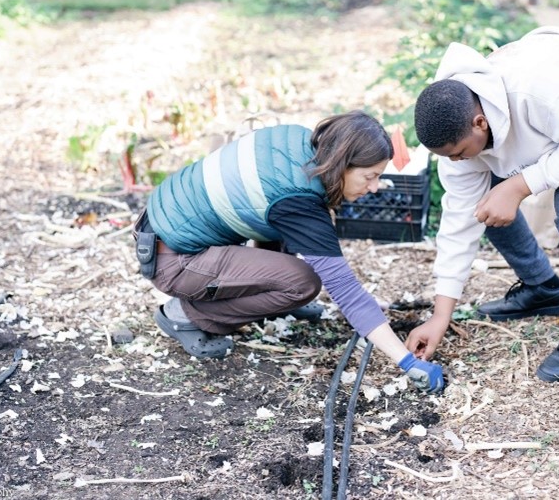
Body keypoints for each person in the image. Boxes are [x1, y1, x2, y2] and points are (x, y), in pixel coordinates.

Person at [405, 26, 559, 383]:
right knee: (485, 201)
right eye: (450, 157)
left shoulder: (538, 90)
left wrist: (520, 185)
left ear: (480, 122)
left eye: (460, 153)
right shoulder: (454, 134)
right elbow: (461, 217)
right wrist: (440, 315)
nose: (457, 161)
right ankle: (544, 289)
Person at [133, 110, 445, 394]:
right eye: (370, 176)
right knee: (302, 283)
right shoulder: (299, 198)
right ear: (342, 164)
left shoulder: (301, 141)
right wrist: (407, 362)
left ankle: (268, 300)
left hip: (162, 223)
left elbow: (261, 207)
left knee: (284, 226)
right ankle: (185, 314)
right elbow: (345, 291)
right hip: (174, 258)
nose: (376, 187)